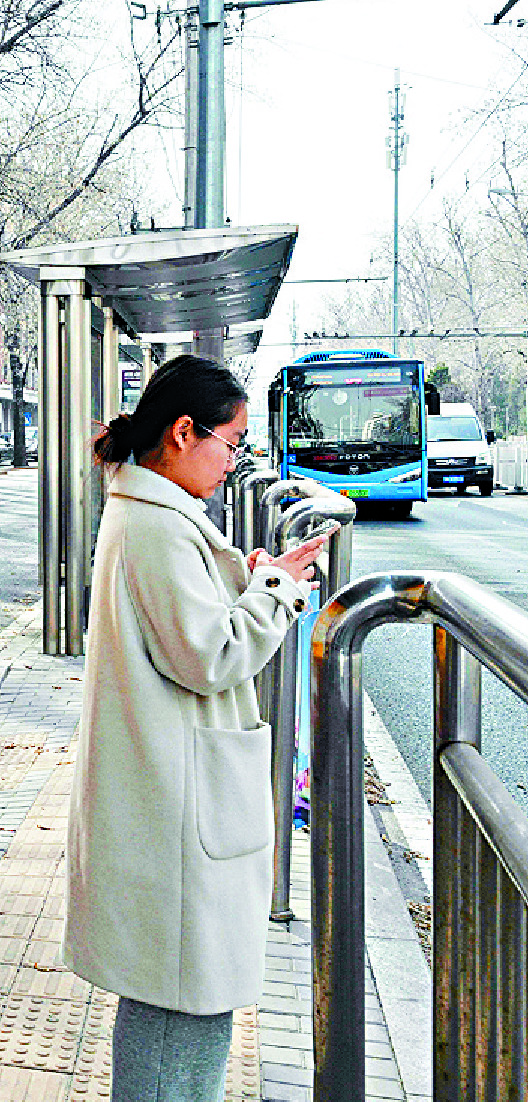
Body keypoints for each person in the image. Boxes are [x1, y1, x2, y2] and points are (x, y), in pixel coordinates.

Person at [62, 354, 333, 1102]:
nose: (234, 461)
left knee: (180, 1003)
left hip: (174, 793)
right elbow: (210, 655)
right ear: (184, 432)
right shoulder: (157, 525)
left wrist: (259, 577)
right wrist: (277, 592)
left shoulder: (151, 511)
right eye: (231, 442)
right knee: (183, 1007)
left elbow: (190, 624)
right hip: (176, 805)